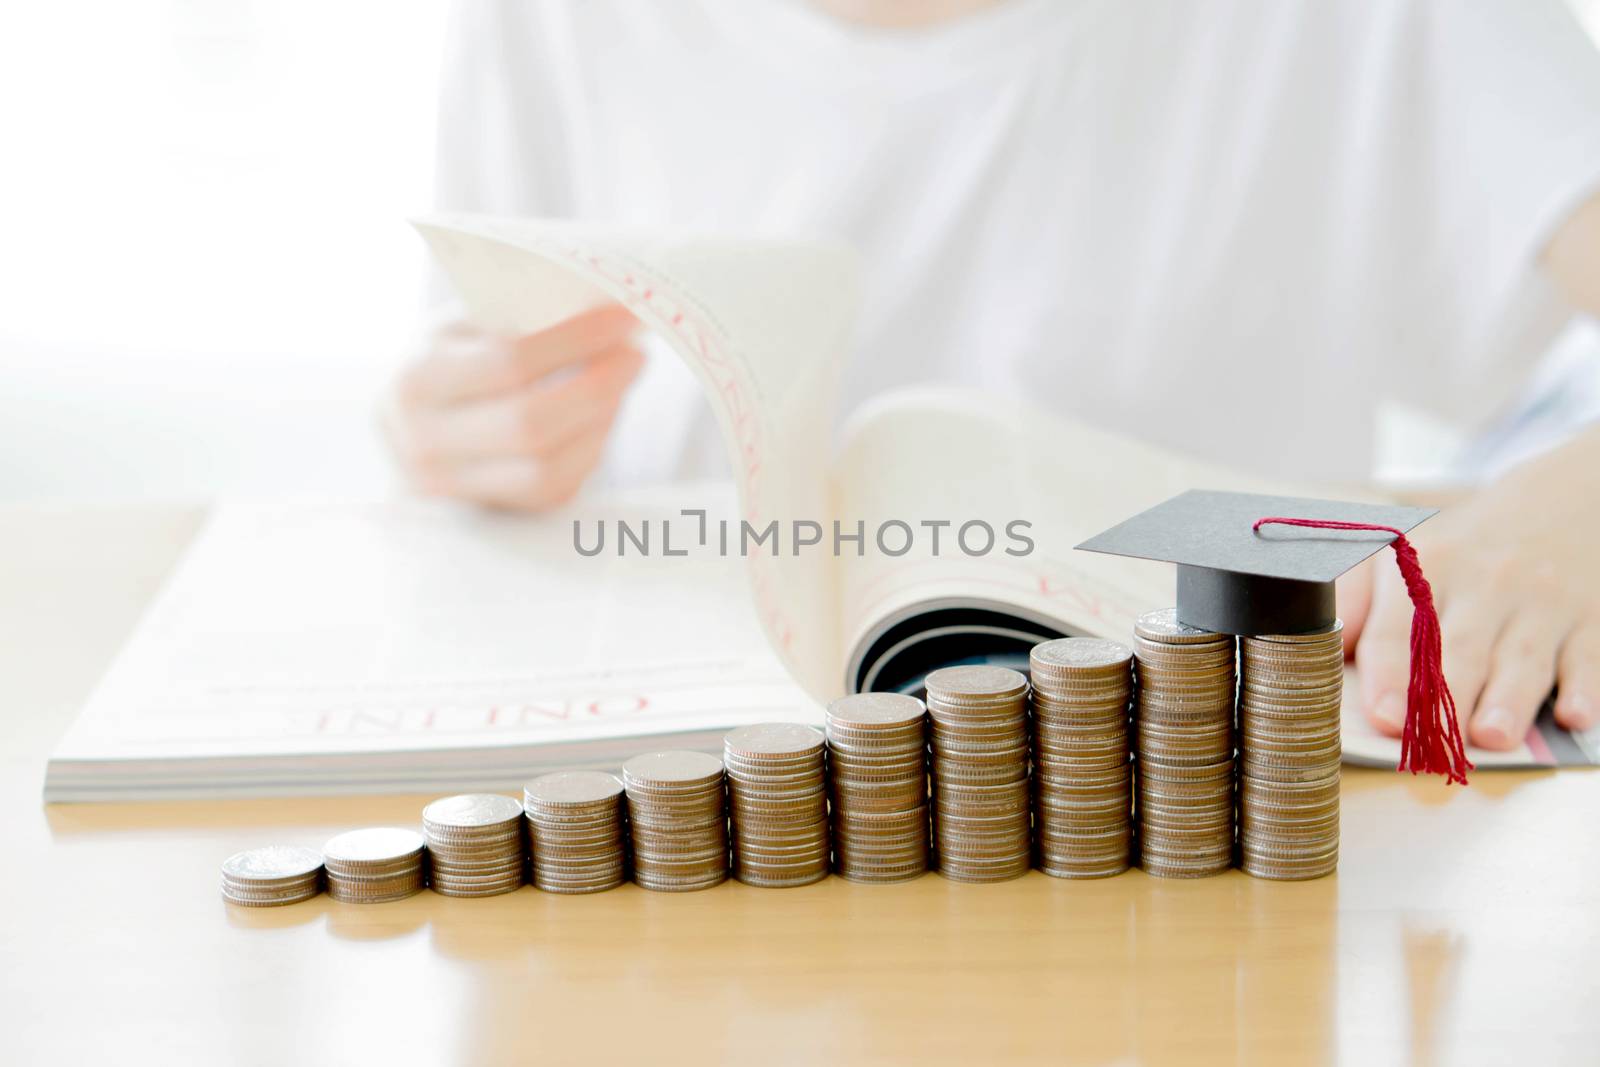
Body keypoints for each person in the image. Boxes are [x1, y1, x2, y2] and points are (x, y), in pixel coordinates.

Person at [382, 0, 1600, 753]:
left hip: (1220, 819)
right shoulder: (542, 20)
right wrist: (447, 428)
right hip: (670, 824)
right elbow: (469, 385)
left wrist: (1571, 491)